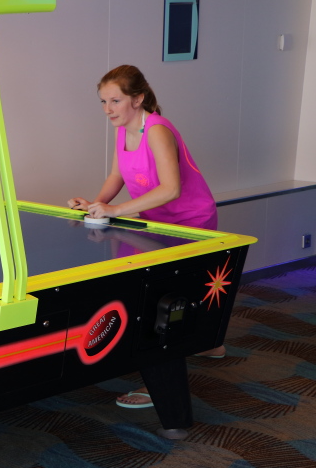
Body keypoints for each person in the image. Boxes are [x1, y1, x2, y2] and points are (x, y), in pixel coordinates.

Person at [67, 66, 224, 420]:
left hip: (191, 224)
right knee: (168, 298)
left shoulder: (158, 130)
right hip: (156, 223)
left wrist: (116, 209)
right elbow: (116, 176)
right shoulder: (123, 130)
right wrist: (96, 205)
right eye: (103, 101)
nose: (108, 108)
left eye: (116, 100)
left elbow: (171, 188)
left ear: (137, 99)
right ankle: (210, 341)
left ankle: (157, 381)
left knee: (157, 303)